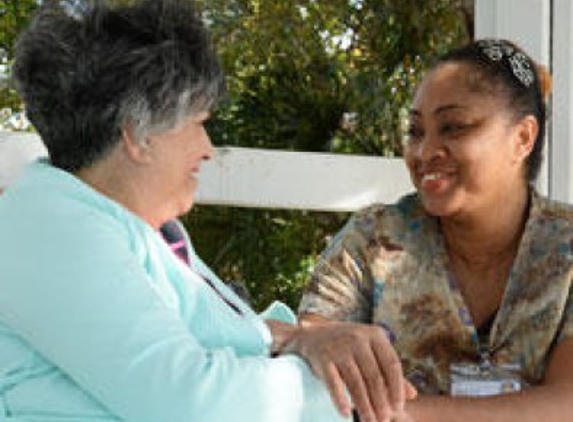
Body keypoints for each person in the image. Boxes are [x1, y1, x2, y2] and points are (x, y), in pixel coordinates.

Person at [0, 1, 413, 421]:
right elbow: (195, 404)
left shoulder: (136, 230)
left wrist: (298, 339)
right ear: (137, 136)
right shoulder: (52, 229)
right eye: (199, 122)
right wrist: (342, 388)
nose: (208, 149)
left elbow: (214, 348)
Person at [299, 38, 573, 421]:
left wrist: (403, 415)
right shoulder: (374, 239)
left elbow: (566, 404)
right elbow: (310, 356)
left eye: (453, 127)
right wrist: (311, 339)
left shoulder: (567, 248)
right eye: (415, 131)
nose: (425, 152)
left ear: (522, 138)